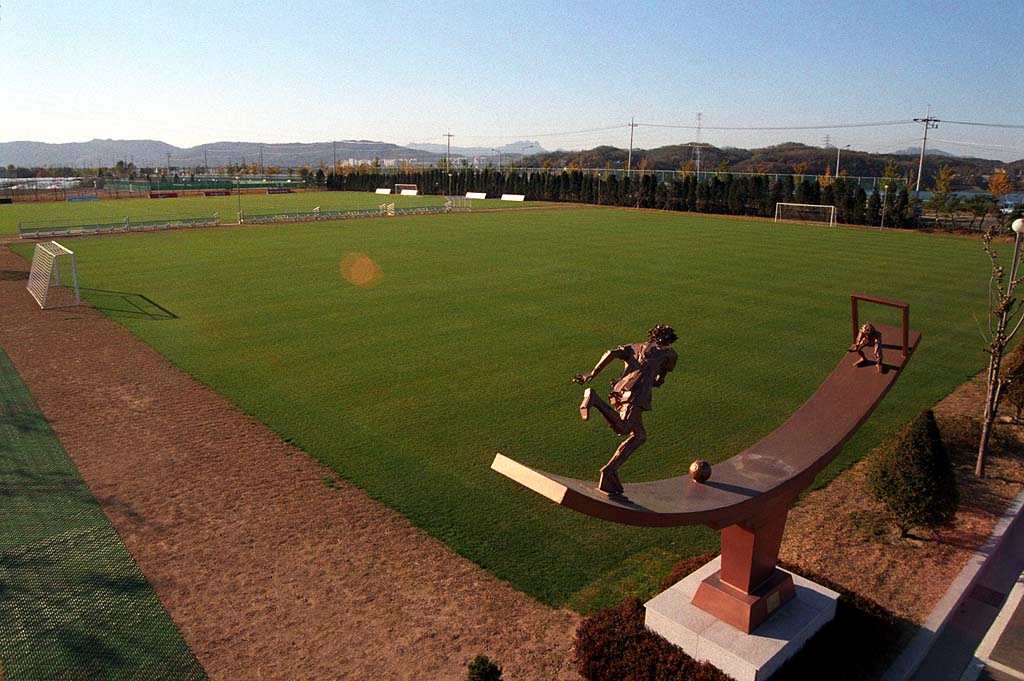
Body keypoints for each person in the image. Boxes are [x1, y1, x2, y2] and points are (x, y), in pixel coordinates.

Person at [574, 324, 679, 498]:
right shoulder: (669, 354)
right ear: (669, 339)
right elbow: (660, 379)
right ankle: (594, 399)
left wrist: (592, 374)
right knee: (623, 428)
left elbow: (610, 353)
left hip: (619, 390)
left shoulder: (634, 347)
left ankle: (609, 471)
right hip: (636, 394)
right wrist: (655, 380)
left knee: (639, 436)